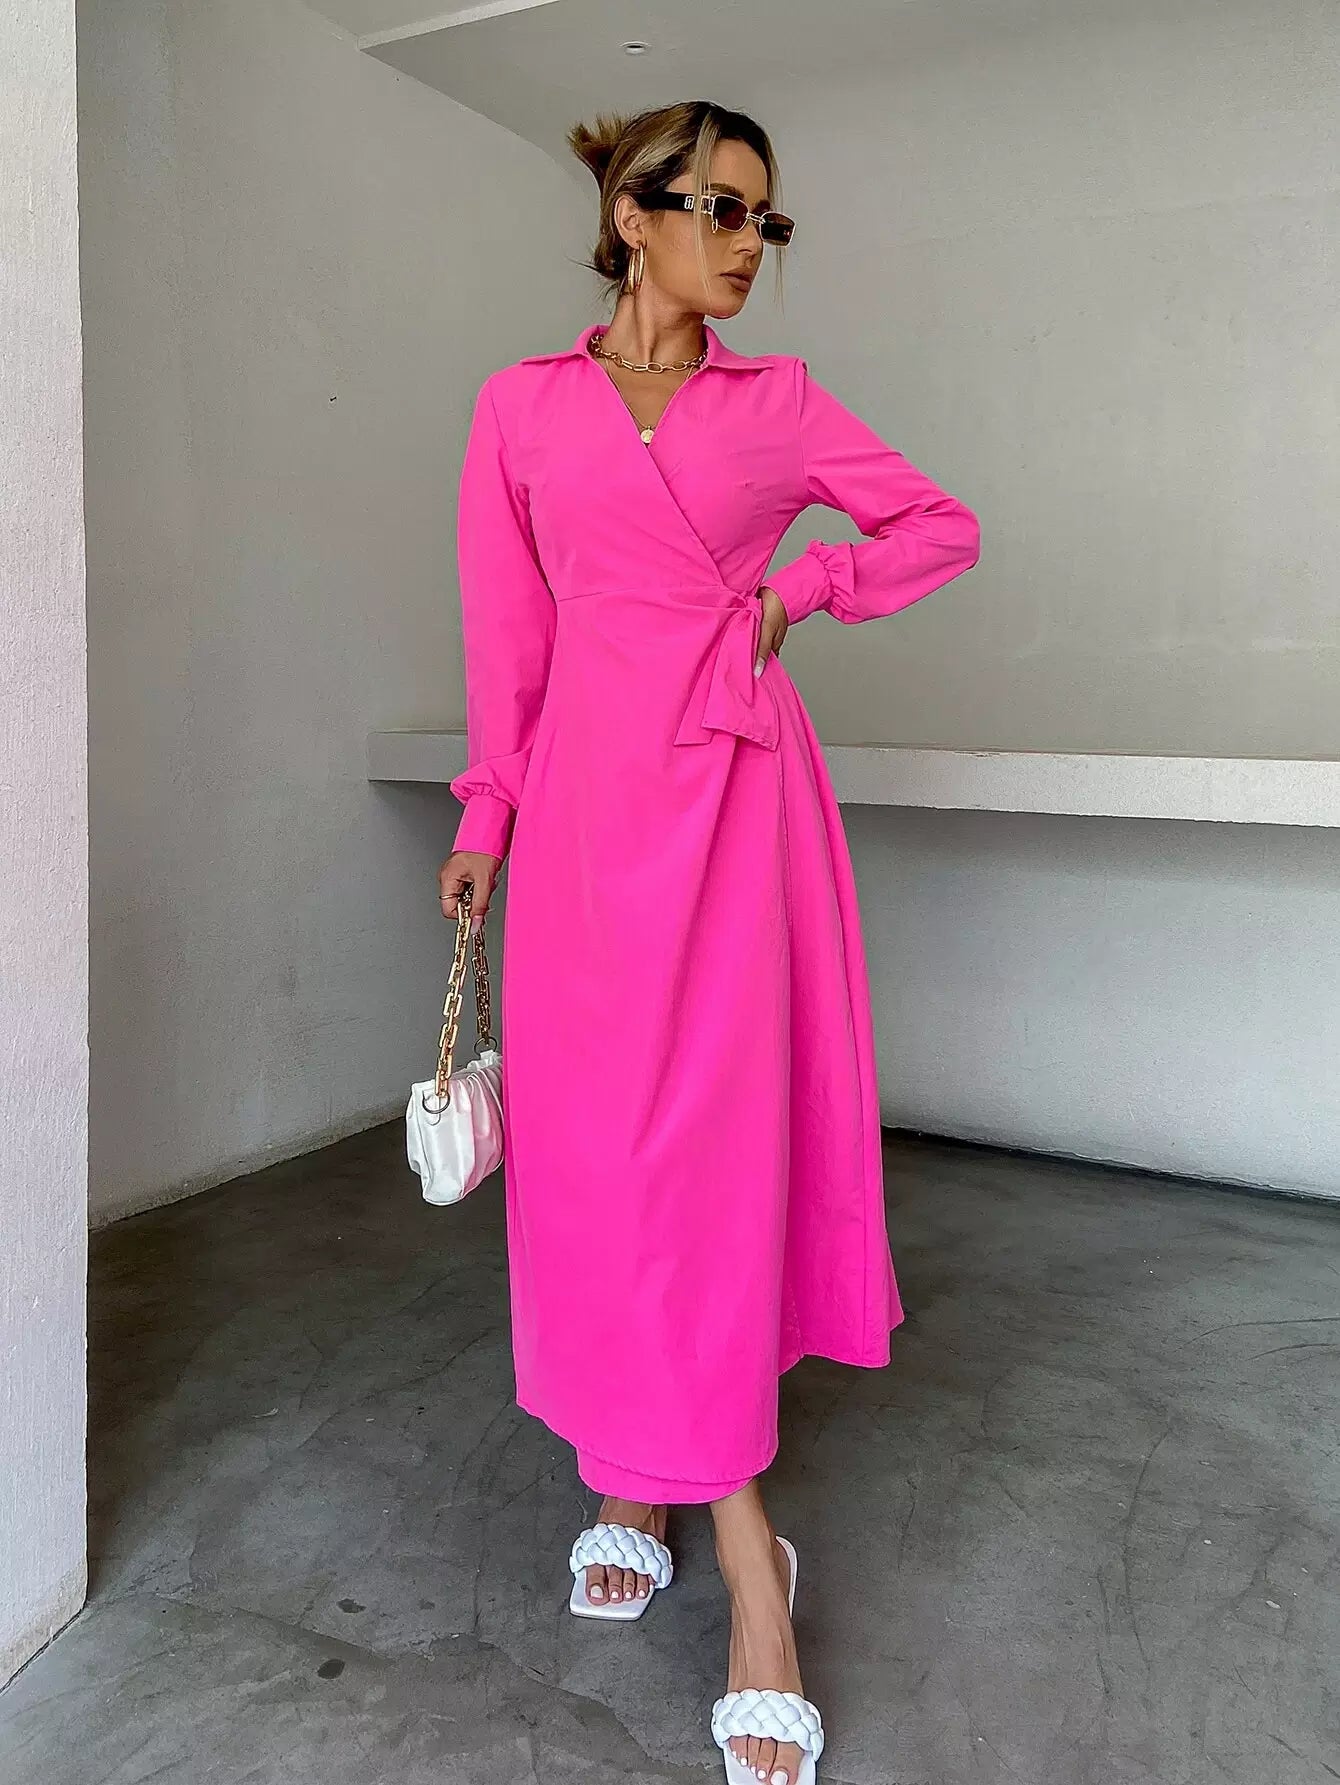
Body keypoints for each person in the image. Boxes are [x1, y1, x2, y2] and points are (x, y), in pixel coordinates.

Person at [438, 98, 980, 1785]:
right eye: (722, 209)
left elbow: (938, 525)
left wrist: (797, 594)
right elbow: (508, 640)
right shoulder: (522, 408)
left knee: (709, 1160)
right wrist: (484, 819)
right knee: (597, 1156)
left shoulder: (780, 404)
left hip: (738, 809)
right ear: (633, 211)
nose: (751, 244)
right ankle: (632, 1472)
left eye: (767, 219)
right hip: (586, 820)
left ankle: (748, 1561)